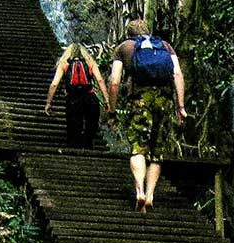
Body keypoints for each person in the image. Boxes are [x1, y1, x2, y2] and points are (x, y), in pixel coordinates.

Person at [105, 19, 186, 210]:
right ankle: (150, 195)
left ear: (129, 33)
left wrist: (112, 109)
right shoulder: (165, 46)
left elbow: (115, 81)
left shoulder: (125, 47)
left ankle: (139, 191)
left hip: (139, 101)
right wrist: (180, 106)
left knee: (138, 148)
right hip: (164, 102)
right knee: (157, 153)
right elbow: (177, 74)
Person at [44, 41, 108, 148]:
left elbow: (54, 84)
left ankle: (74, 148)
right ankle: (88, 147)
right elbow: (100, 80)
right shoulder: (89, 62)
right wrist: (107, 100)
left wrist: (49, 103)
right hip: (90, 97)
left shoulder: (64, 63)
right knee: (90, 125)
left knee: (74, 125)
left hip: (73, 99)